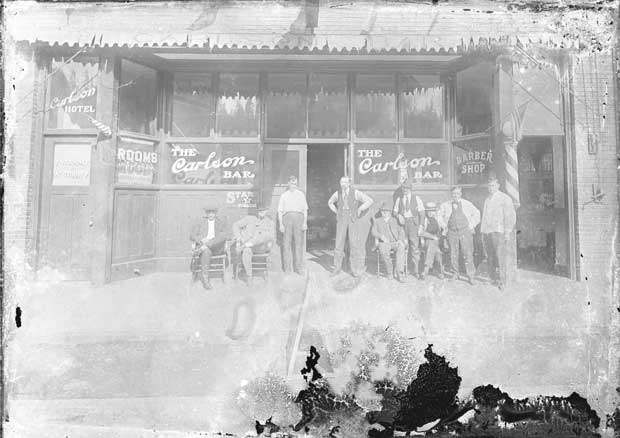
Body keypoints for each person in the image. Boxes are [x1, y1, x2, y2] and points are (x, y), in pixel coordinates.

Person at [327, 176, 373, 277]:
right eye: (341, 182)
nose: (343, 184)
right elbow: (330, 202)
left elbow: (369, 201)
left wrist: (360, 208)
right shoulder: (338, 193)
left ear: (349, 183)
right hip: (341, 219)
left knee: (353, 244)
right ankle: (336, 268)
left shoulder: (355, 193)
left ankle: (354, 269)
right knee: (338, 244)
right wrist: (336, 212)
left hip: (352, 219)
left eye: (345, 182)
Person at [438, 186, 480, 285]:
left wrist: (471, 226)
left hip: (465, 232)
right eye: (453, 194)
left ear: (460, 194)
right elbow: (439, 216)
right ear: (451, 195)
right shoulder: (446, 205)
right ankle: (455, 273)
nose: (455, 195)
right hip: (452, 232)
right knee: (453, 253)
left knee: (468, 253)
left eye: (457, 193)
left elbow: (477, 214)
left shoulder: (467, 204)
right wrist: (445, 227)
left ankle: (471, 276)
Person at [481, 175, 517, 290]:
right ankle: (492, 278)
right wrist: (483, 231)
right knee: (490, 256)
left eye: (493, 185)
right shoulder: (487, 199)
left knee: (500, 257)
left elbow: (510, 216)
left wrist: (507, 232)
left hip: (498, 231)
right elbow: (485, 216)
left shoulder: (504, 198)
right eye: (489, 186)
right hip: (487, 231)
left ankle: (502, 281)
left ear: (498, 186)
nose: (491, 188)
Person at [232, 205, 276, 286]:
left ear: (267, 211)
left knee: (261, 236)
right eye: (260, 210)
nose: (261, 212)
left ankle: (244, 247)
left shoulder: (270, 222)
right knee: (246, 251)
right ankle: (249, 276)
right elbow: (235, 225)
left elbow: (269, 236)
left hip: (261, 247)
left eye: (264, 210)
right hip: (248, 246)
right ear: (257, 211)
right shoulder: (250, 219)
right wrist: (239, 237)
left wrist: (251, 243)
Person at [190, 206, 227, 290]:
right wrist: (201, 239)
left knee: (221, 236)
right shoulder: (200, 222)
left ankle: (201, 249)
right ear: (206, 214)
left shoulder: (220, 222)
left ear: (215, 214)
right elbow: (192, 235)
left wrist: (209, 242)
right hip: (204, 247)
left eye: (213, 213)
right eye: (209, 213)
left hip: (216, 248)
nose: (211, 215)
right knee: (206, 252)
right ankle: (206, 281)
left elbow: (224, 236)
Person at [393, 180, 425, 278]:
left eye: (407, 188)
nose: (405, 190)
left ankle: (416, 271)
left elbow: (422, 213)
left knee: (415, 247)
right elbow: (394, 212)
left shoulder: (416, 198)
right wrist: (398, 216)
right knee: (402, 245)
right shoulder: (399, 199)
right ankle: (401, 270)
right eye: (403, 188)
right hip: (403, 225)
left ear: (410, 189)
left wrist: (421, 226)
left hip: (413, 224)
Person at [277, 176, 308, 274]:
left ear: (297, 184)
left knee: (299, 244)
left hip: (299, 219)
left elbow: (305, 210)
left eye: (295, 184)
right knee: (286, 244)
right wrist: (281, 224)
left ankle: (299, 268)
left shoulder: (301, 195)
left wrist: (304, 222)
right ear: (288, 184)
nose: (293, 185)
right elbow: (280, 211)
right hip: (287, 219)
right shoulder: (284, 195)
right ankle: (287, 268)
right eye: (292, 183)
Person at [372, 202, 406, 282]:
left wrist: (400, 240)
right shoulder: (377, 221)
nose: (384, 212)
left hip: (395, 242)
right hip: (384, 243)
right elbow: (373, 231)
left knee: (401, 248)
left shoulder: (394, 220)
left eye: (386, 211)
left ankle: (399, 273)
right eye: (383, 211)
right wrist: (381, 236)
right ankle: (390, 271)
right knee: (383, 252)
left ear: (390, 212)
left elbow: (401, 231)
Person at [419, 201, 444, 280]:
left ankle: (426, 270)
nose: (430, 213)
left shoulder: (438, 219)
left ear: (435, 211)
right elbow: (420, 232)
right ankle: (440, 272)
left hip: (437, 241)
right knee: (435, 249)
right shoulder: (424, 219)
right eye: (428, 211)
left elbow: (445, 227)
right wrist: (432, 237)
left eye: (432, 211)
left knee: (436, 250)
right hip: (427, 241)